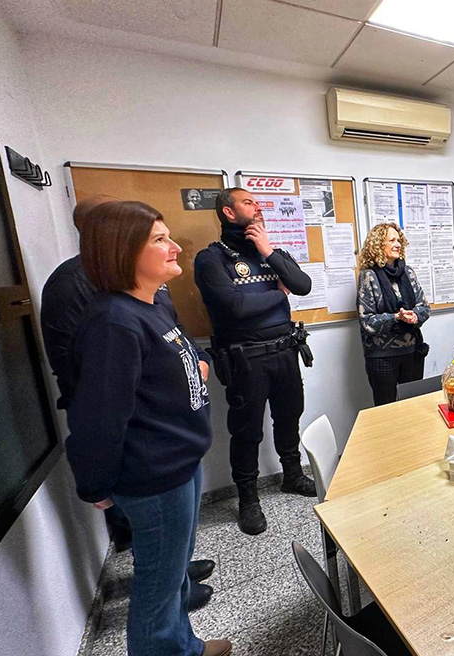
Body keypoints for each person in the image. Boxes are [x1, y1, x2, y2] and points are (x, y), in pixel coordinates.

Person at [65, 201, 231, 656]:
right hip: (153, 475)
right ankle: (167, 648)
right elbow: (99, 416)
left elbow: (182, 356)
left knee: (174, 575)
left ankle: (186, 647)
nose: (175, 246)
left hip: (179, 463)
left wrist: (199, 363)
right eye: (159, 239)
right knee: (157, 589)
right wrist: (95, 483)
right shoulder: (114, 323)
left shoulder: (151, 304)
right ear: (123, 251)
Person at [194, 188, 316, 536]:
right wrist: (278, 295)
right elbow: (234, 307)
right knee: (246, 431)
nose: (257, 207)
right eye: (249, 202)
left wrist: (266, 250)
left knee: (289, 416)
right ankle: (248, 499)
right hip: (245, 358)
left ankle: (292, 475)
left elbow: (303, 285)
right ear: (228, 213)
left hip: (285, 351)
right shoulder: (211, 259)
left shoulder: (271, 253)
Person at [357, 223, 431, 406]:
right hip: (382, 357)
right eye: (392, 240)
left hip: (412, 352)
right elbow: (366, 321)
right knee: (387, 411)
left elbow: (424, 307)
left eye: (399, 240)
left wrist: (414, 316)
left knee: (413, 407)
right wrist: (396, 317)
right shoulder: (369, 276)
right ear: (378, 245)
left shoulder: (408, 272)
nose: (398, 244)